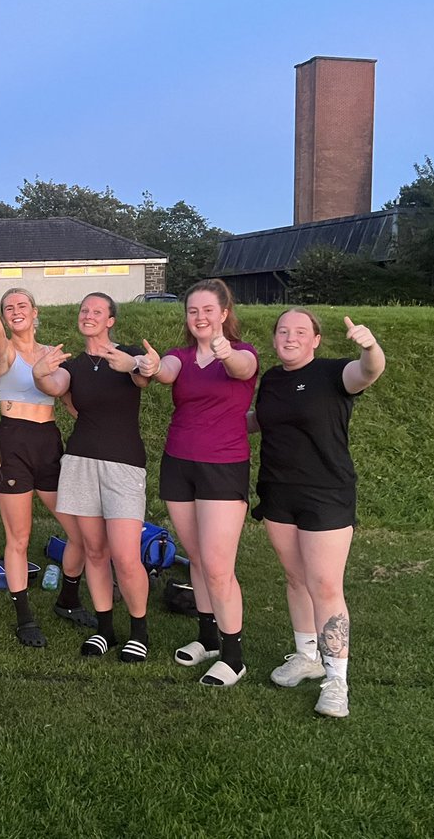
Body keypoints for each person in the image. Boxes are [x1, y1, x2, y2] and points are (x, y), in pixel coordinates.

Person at [251, 308, 385, 718]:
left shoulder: (334, 373)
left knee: (325, 585)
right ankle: (307, 656)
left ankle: (337, 680)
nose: (289, 338)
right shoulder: (271, 379)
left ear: (315, 340)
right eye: (283, 331)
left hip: (326, 493)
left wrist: (371, 348)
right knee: (295, 579)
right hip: (278, 492)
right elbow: (262, 421)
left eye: (300, 332)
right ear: (275, 339)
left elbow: (367, 373)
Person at [0, 259, 94, 647]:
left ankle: (69, 600)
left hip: (49, 442)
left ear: (35, 312)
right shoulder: (4, 349)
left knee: (80, 533)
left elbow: (76, 405)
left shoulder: (53, 354)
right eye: (9, 308)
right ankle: (24, 615)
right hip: (13, 444)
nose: (15, 311)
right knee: (18, 537)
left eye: (22, 305)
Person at [32, 293, 160, 662]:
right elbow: (54, 386)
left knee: (124, 554)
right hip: (80, 463)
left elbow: (145, 376)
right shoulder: (73, 364)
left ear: (111, 321)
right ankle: (105, 628)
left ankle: (139, 631)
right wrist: (40, 374)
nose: (88, 315)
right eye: (84, 310)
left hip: (123, 465)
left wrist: (138, 362)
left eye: (97, 312)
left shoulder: (127, 354)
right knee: (95, 551)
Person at [151, 279, 258, 687]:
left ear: (224, 313)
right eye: (192, 311)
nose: (199, 317)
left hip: (223, 468)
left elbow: (242, 369)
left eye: (207, 310)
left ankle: (234, 657)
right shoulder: (180, 355)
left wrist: (226, 351)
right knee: (197, 559)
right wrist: (148, 367)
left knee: (218, 567)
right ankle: (208, 639)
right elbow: (166, 371)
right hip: (179, 464)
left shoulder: (243, 353)